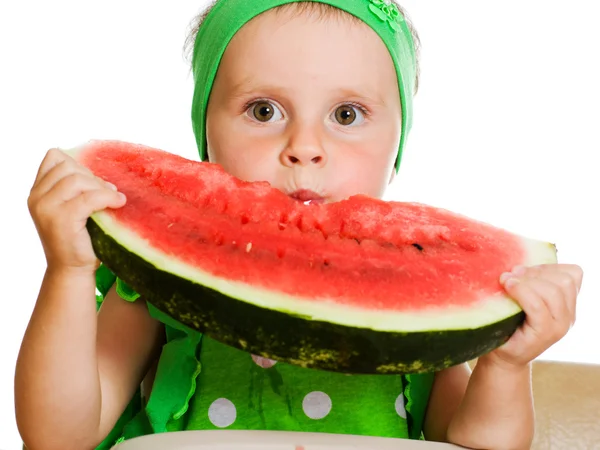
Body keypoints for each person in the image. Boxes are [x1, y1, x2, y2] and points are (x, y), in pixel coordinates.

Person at [15, 1, 583, 449]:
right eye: (263, 111)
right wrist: (67, 272)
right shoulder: (152, 289)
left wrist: (504, 364)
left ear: (397, 145)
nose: (304, 148)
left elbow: (481, 445)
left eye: (346, 115)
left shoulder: (422, 326)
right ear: (204, 133)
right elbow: (59, 436)